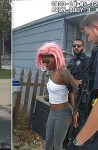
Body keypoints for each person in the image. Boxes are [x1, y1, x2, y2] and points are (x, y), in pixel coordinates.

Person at [36, 42, 77, 150]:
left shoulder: (63, 72)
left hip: (63, 113)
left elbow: (75, 89)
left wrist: (75, 113)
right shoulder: (51, 71)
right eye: (43, 62)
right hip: (52, 112)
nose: (45, 64)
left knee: (57, 145)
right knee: (48, 143)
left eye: (47, 61)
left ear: (55, 57)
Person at [67, 13, 98, 150]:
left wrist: (78, 142)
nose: (89, 38)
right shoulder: (94, 53)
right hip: (82, 104)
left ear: (96, 28)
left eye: (88, 33)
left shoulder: (89, 57)